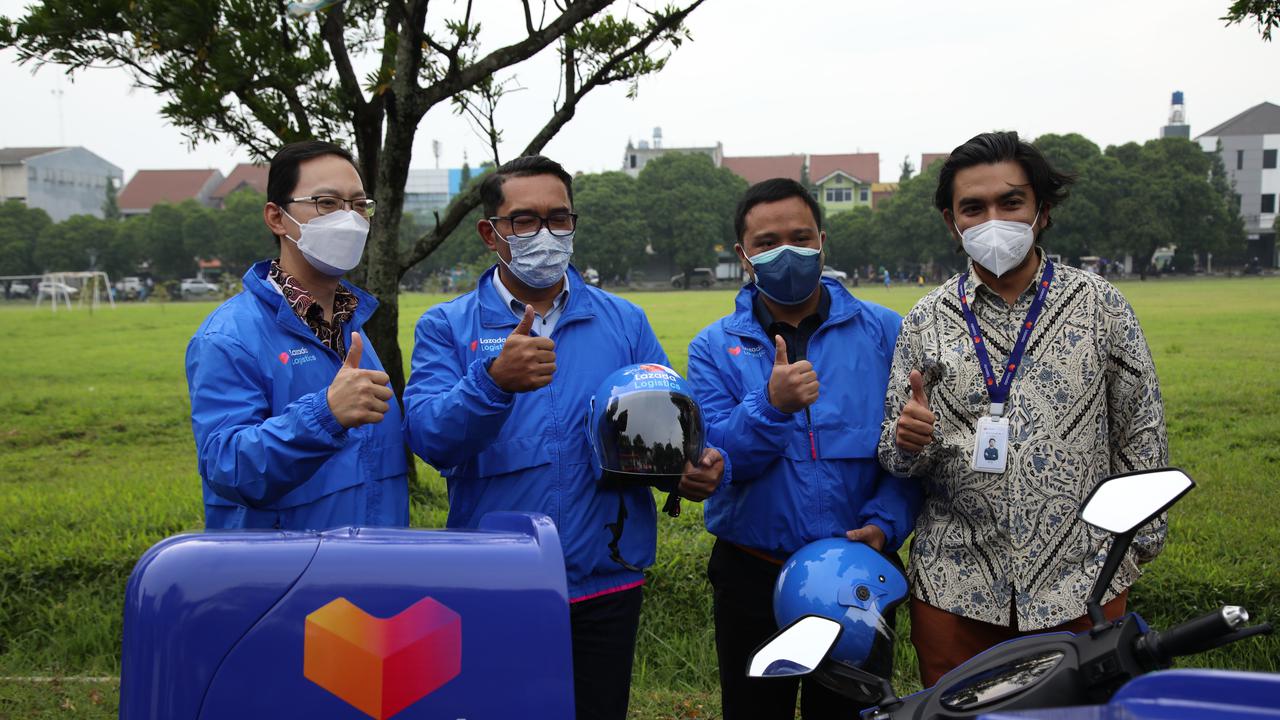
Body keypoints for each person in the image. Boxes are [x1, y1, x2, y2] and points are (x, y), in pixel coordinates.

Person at [402, 155, 725, 720]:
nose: (544, 234)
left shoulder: (624, 322)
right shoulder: (447, 327)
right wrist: (492, 382)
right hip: (496, 583)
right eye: (524, 220)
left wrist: (692, 469)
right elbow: (430, 437)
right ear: (490, 233)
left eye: (559, 218)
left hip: (605, 577)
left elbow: (669, 425)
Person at [878, 131, 1168, 687]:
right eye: (973, 207)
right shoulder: (924, 320)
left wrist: (1133, 551)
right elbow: (895, 455)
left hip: (1081, 584)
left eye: (1010, 202)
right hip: (955, 587)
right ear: (951, 221)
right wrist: (907, 440)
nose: (994, 219)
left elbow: (1142, 433)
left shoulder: (1100, 307)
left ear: (1041, 209)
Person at [686, 178, 921, 719]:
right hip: (753, 572)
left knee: (849, 713)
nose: (786, 252)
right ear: (745, 257)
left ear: (822, 241)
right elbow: (719, 463)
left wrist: (885, 524)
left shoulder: (885, 331)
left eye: (800, 237)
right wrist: (770, 406)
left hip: (858, 573)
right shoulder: (713, 348)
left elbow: (907, 453)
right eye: (767, 243)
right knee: (753, 710)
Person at [185, 140, 407, 531]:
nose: (350, 218)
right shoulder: (228, 337)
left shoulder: (352, 321)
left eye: (359, 205)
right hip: (287, 575)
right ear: (277, 217)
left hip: (375, 566)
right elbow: (227, 467)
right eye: (327, 203)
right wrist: (324, 415)